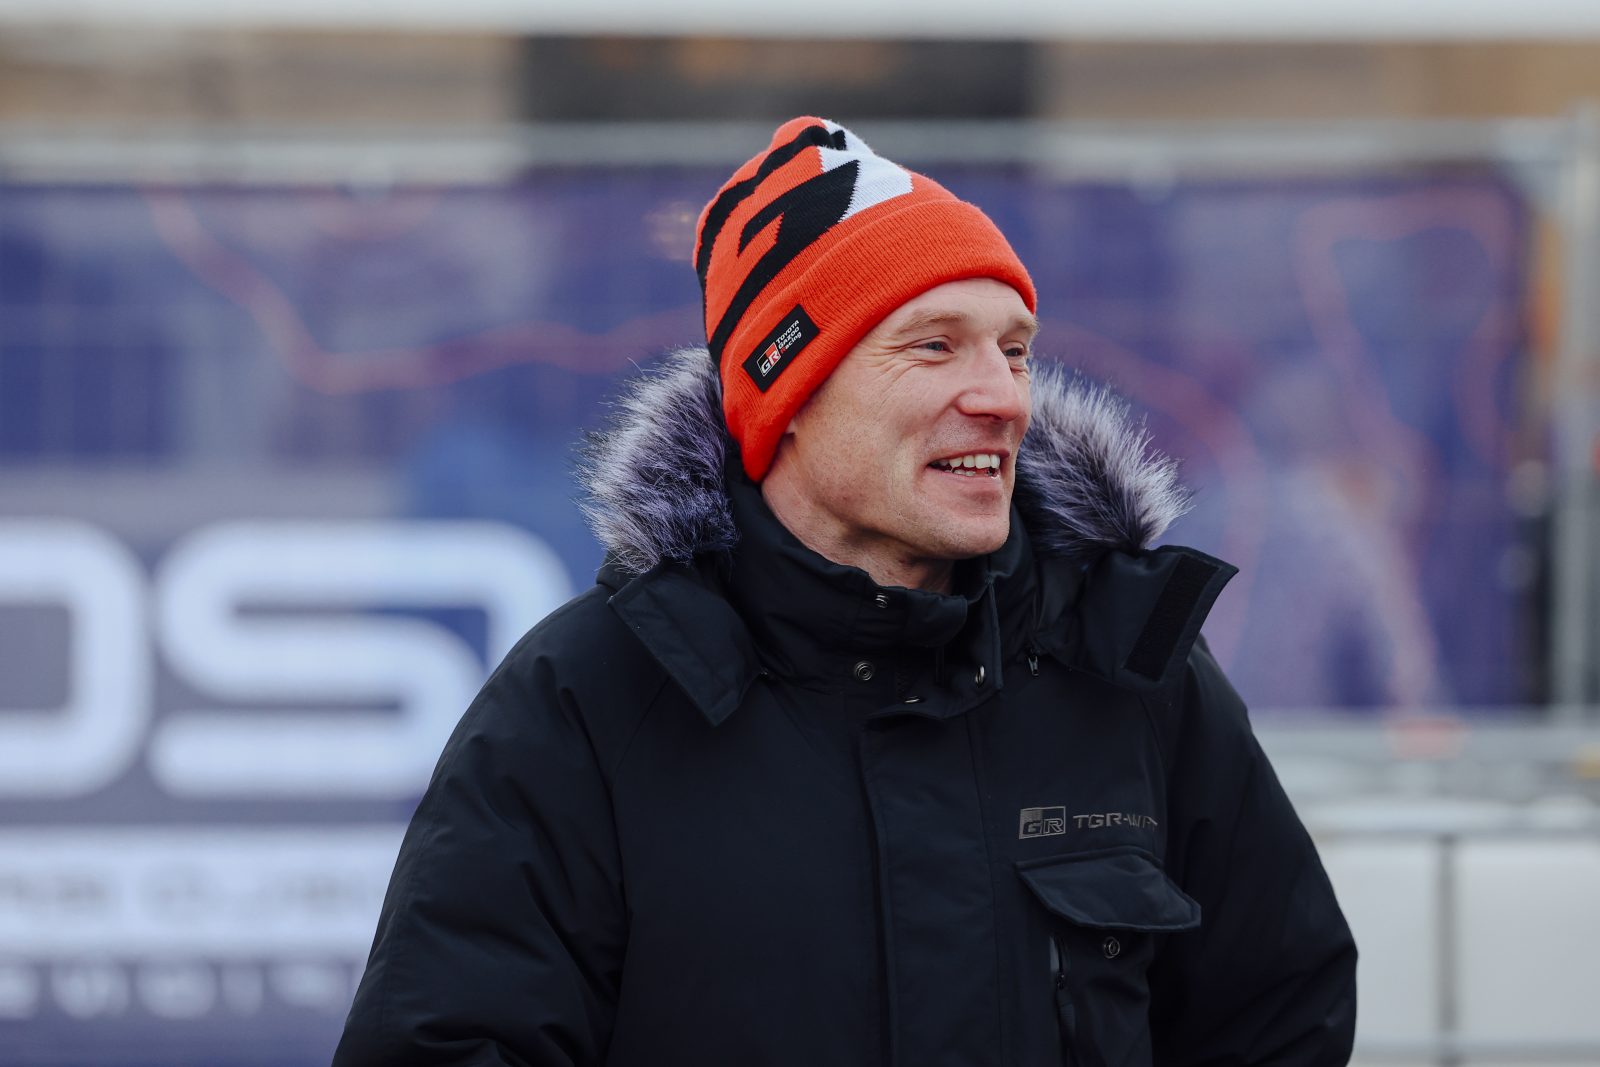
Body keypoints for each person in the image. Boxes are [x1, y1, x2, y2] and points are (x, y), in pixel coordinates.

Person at [333, 116, 1357, 1067]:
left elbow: (1279, 1019)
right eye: (933, 344)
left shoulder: (1128, 670)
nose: (1002, 397)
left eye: (1014, 349)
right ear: (787, 390)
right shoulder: (588, 699)